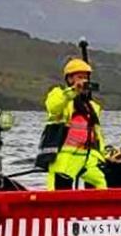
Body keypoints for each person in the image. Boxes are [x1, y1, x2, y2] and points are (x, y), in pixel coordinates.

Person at [45, 58, 108, 190]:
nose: (84, 81)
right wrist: (73, 91)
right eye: (80, 77)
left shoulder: (91, 106)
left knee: (101, 183)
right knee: (59, 195)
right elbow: (53, 106)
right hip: (63, 159)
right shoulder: (59, 95)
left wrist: (104, 154)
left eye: (86, 78)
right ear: (69, 79)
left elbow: (97, 134)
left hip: (87, 158)